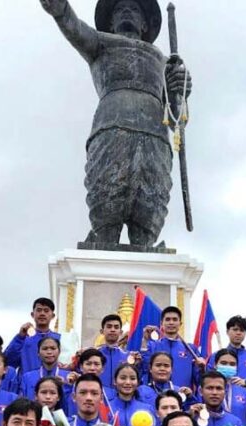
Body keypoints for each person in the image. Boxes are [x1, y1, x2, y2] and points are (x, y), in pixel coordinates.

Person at [39, 0, 191, 248]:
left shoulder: (163, 62)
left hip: (154, 135)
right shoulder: (100, 43)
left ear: (144, 24)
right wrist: (60, 9)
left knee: (150, 206)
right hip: (112, 128)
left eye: (134, 10)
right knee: (107, 195)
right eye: (121, 9)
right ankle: (102, 244)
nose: (127, 12)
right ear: (111, 22)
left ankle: (145, 252)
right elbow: (74, 27)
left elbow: (175, 118)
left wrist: (180, 89)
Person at [142, 306, 206, 390]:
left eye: (175, 319)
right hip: (157, 398)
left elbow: (199, 381)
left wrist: (202, 369)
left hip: (183, 398)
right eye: (167, 319)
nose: (171, 323)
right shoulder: (153, 346)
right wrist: (144, 342)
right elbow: (144, 370)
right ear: (161, 323)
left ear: (180, 324)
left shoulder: (191, 349)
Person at [6, 297, 61, 373]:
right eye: (39, 310)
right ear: (32, 314)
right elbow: (8, 362)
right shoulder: (23, 338)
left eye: (46, 311)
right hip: (27, 384)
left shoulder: (60, 339)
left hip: (52, 383)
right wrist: (19, 338)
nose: (42, 313)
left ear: (53, 316)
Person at [206, 316, 246, 387]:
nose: (238, 333)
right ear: (227, 332)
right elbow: (207, 379)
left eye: (242, 330)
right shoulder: (216, 355)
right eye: (235, 329)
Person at [20, 336, 75, 410]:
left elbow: (72, 406)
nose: (49, 352)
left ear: (59, 352)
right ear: (38, 353)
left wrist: (65, 386)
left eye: (53, 348)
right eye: (45, 349)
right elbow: (22, 403)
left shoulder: (69, 377)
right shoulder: (28, 377)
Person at [209, 348, 246, 423]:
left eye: (232, 364)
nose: (228, 366)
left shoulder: (244, 392)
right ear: (215, 365)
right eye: (223, 363)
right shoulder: (206, 389)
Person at [98, 313, 129, 386]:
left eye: (116, 327)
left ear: (121, 332)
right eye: (109, 327)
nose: (112, 330)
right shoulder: (94, 354)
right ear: (102, 331)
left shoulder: (128, 356)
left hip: (121, 396)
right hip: (99, 395)